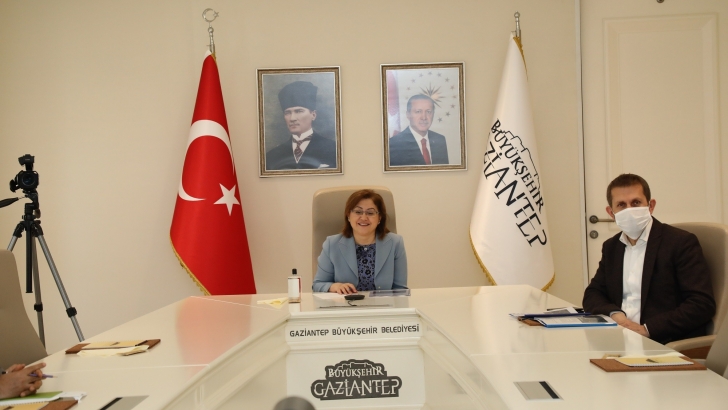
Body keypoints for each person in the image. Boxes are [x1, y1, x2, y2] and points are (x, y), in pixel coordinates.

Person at [582, 174, 715, 344]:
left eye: (636, 203)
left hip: (663, 341)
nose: (629, 210)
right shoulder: (612, 246)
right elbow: (593, 293)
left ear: (650, 206)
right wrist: (615, 314)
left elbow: (702, 304)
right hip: (619, 338)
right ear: (611, 213)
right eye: (621, 205)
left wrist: (647, 329)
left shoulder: (680, 242)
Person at [313, 189, 407, 294]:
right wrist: (334, 286)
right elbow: (318, 284)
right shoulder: (332, 244)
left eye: (370, 213)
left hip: (384, 304)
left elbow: (400, 290)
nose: (364, 217)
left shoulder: (395, 243)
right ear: (348, 215)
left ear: (379, 218)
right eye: (358, 212)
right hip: (344, 304)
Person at [265, 81, 337, 170]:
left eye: (299, 111)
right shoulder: (272, 156)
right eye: (287, 113)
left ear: (313, 115)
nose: (292, 118)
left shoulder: (333, 149)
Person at [389, 94, 449, 166]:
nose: (424, 117)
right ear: (408, 114)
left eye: (428, 112)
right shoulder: (394, 144)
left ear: (433, 114)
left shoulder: (440, 140)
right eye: (418, 111)